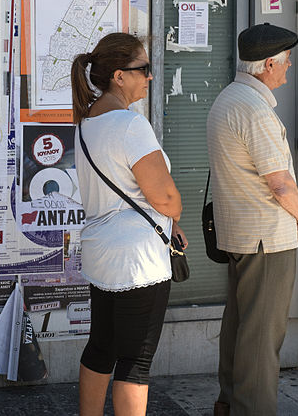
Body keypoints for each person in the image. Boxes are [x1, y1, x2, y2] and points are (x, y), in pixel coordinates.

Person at [70, 32, 185, 416]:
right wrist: (175, 211)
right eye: (143, 69)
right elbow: (166, 198)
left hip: (102, 252)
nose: (149, 77)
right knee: (135, 362)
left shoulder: (87, 123)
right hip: (139, 260)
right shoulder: (130, 125)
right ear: (119, 75)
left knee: (101, 345)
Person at [206, 22, 298, 416]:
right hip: (267, 240)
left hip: (241, 236)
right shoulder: (256, 110)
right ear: (268, 64)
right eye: (285, 62)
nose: (288, 68)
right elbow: (281, 184)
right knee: (262, 337)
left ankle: (228, 403)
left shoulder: (229, 99)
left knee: (239, 328)